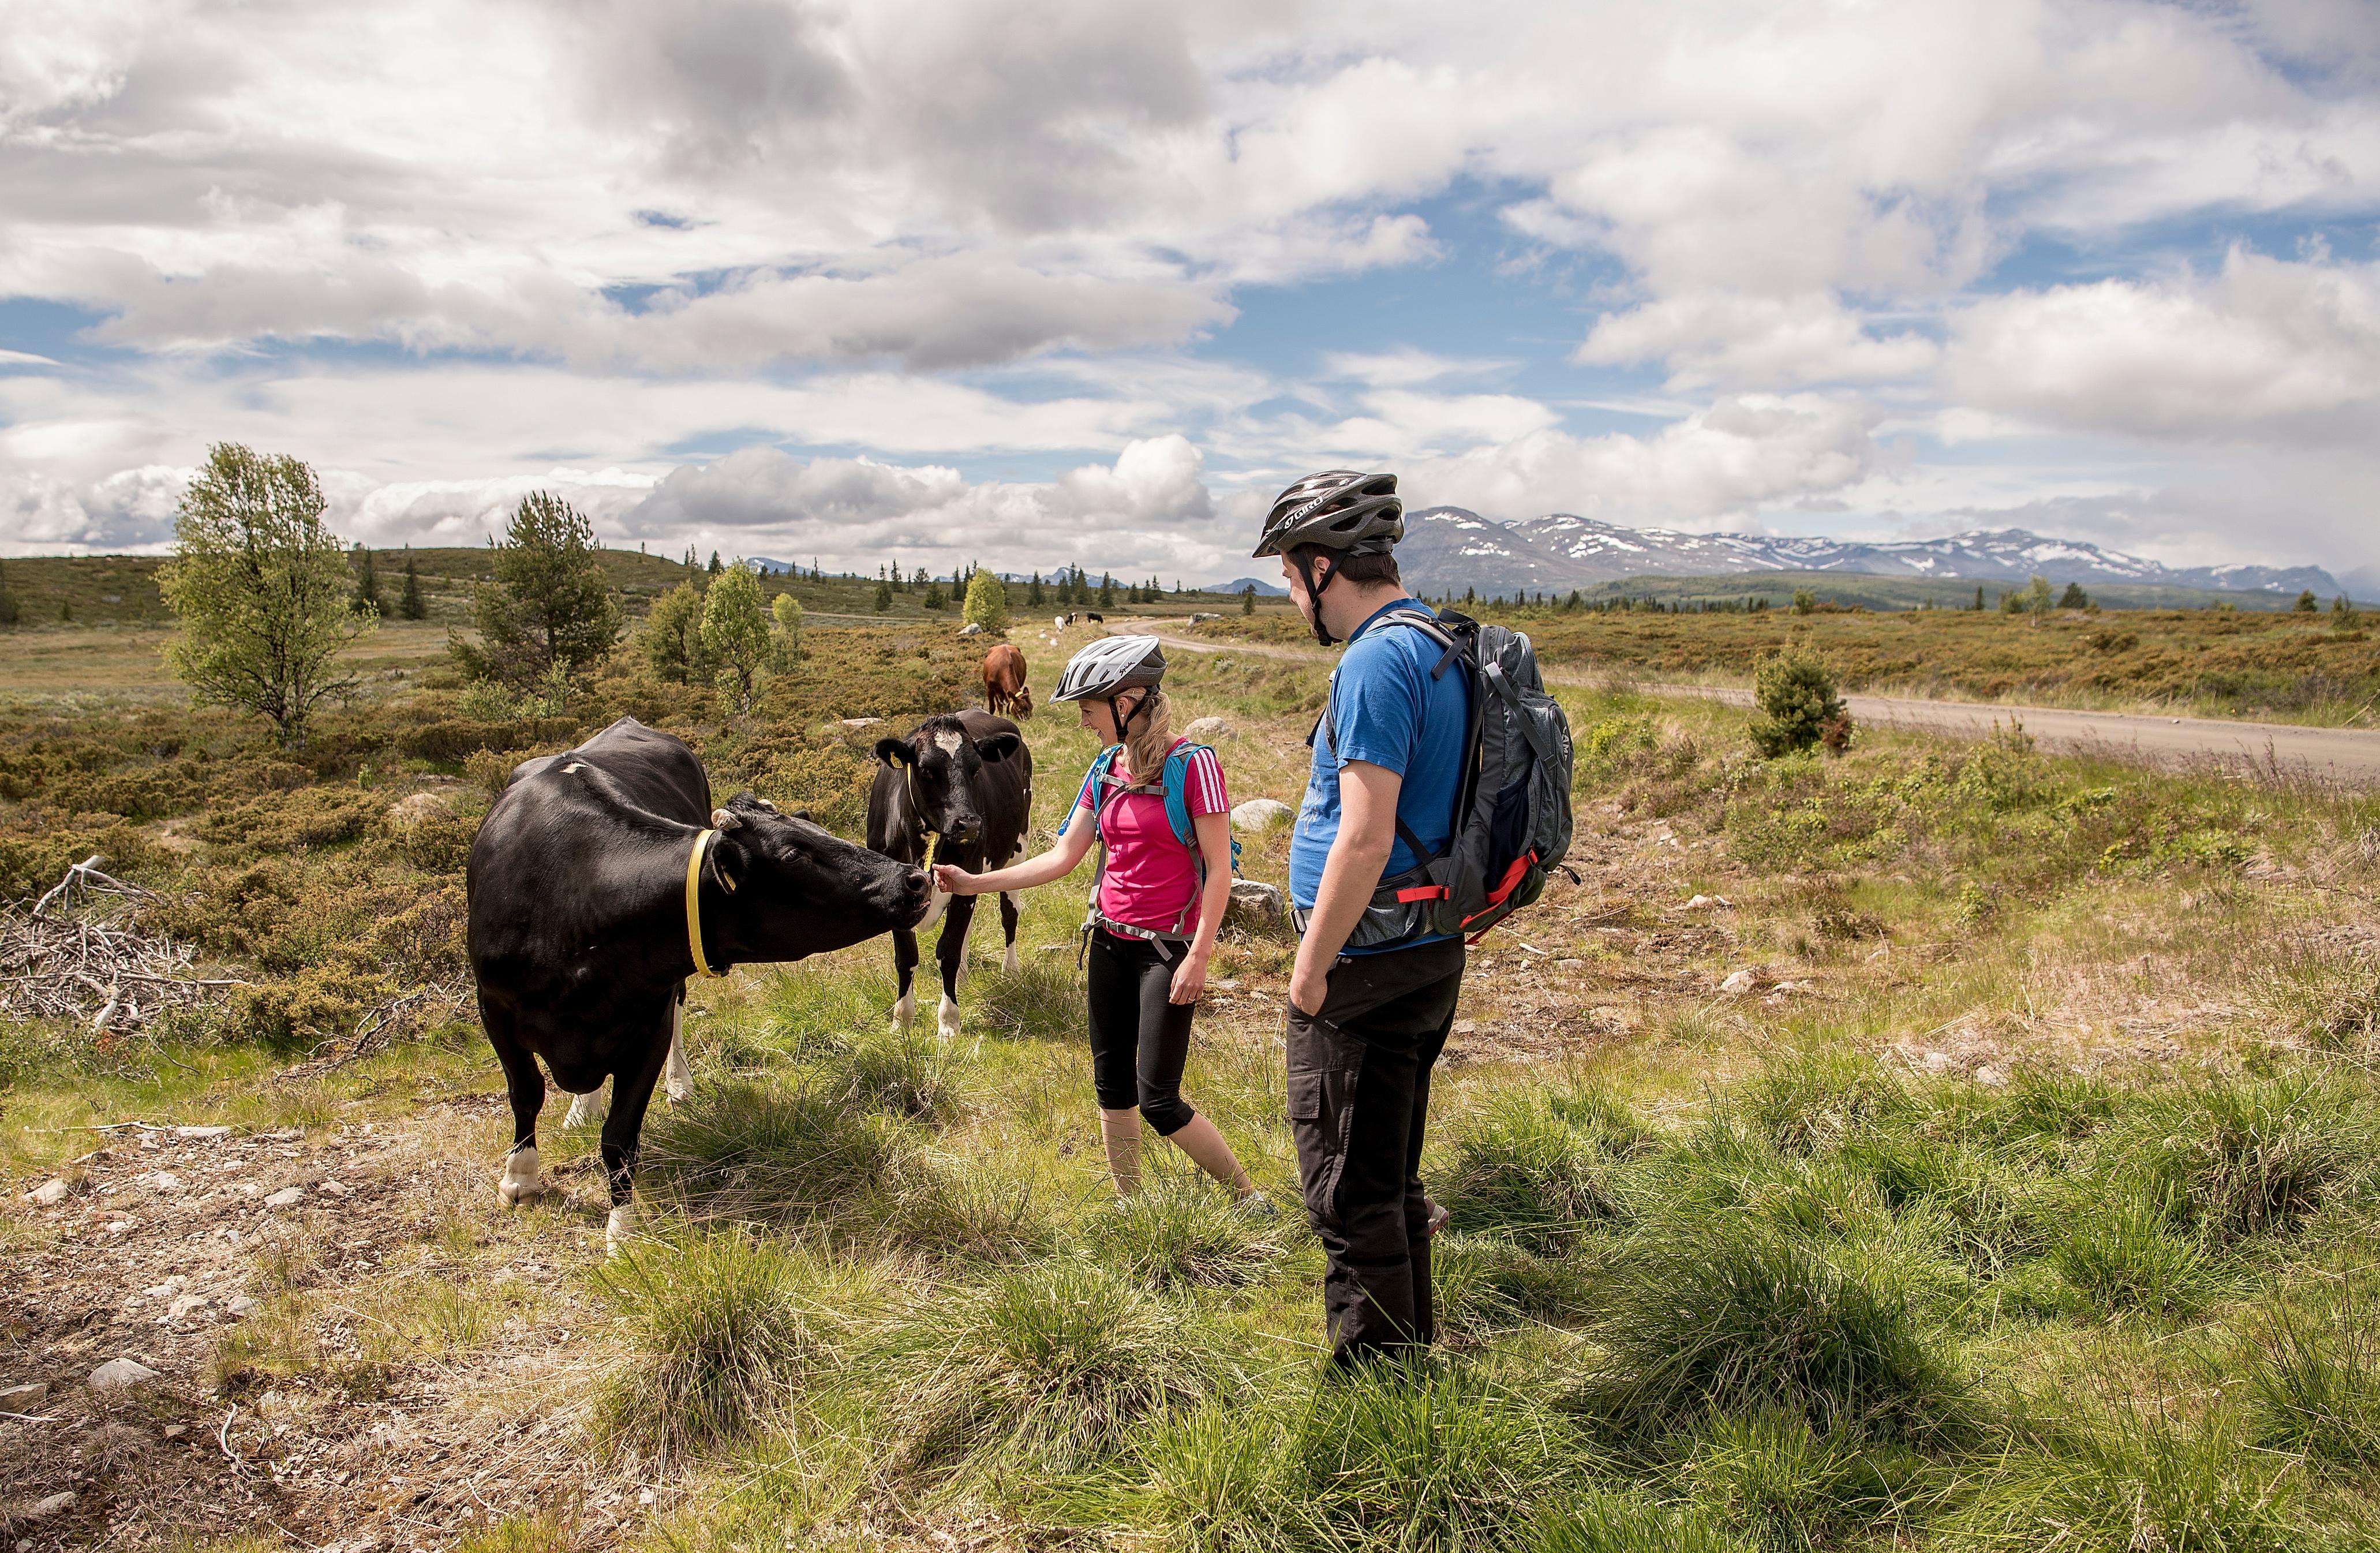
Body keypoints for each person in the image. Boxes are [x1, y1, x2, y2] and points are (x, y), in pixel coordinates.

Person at [935, 635, 1270, 1211]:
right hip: (1109, 943)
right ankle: (1130, 1206)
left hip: (1167, 952)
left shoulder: (1194, 766)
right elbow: (1061, 858)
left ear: (1128, 701)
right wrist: (972, 884)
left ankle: (1247, 1197)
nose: (1085, 723)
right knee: (1112, 1087)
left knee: (1158, 1099)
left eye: (1090, 710)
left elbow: (1219, 871)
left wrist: (1199, 955)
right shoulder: (1104, 768)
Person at [1257, 468, 1469, 1367]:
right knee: (1388, 1170)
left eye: (1289, 581)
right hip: (1423, 947)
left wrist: (1310, 966)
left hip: (1365, 964)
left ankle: (1378, 1400)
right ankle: (1413, 1361)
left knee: (1346, 1193)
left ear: (1319, 567)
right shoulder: (1437, 641)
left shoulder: (1377, 658)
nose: (1290, 599)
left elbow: (1364, 835)